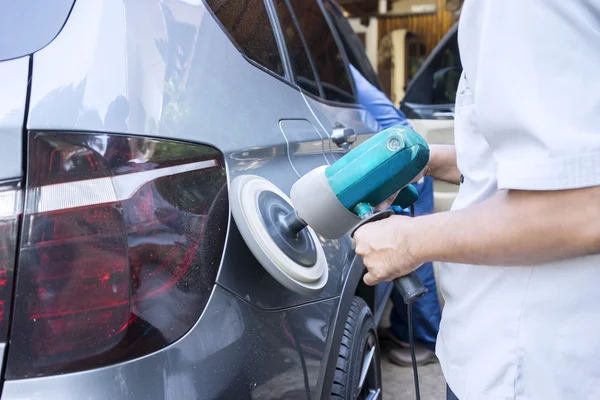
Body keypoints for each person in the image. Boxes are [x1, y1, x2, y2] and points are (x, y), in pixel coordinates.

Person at [353, 1, 600, 399]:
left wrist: (411, 241)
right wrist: (431, 161)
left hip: (532, 368)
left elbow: (585, 207)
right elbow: (537, 164)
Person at [349, 64, 441, 366]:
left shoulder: (335, 69)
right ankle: (405, 332)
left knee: (411, 251)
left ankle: (426, 340)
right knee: (404, 252)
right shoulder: (347, 70)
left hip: (401, 165)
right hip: (402, 158)